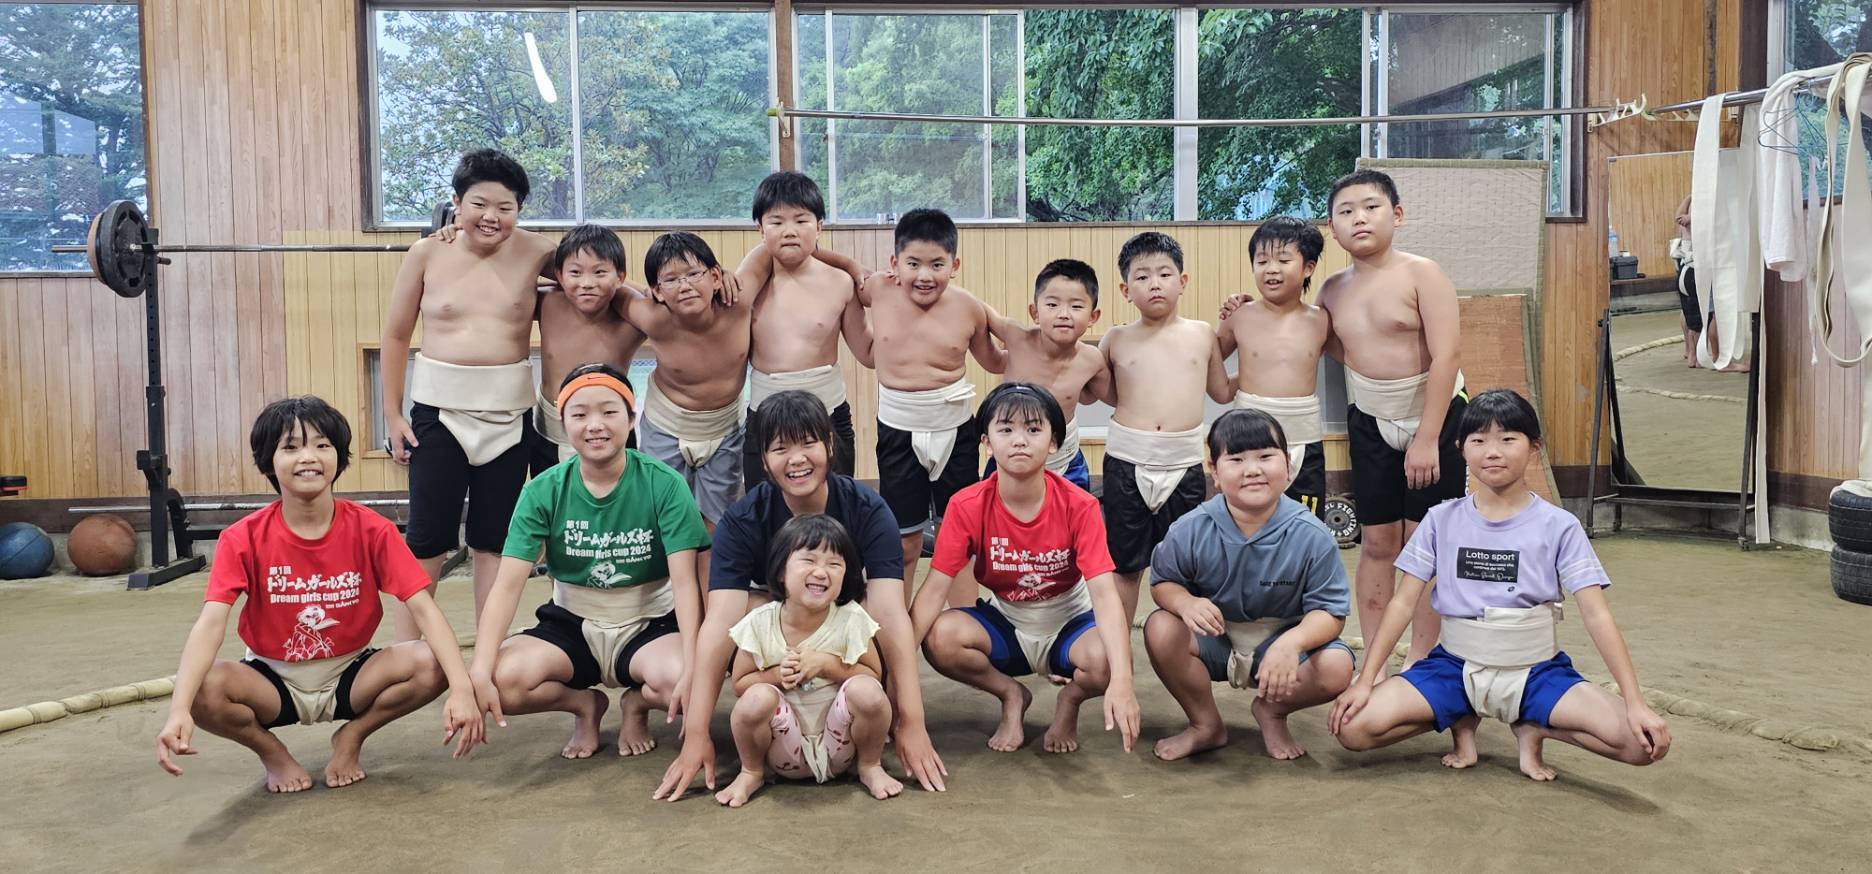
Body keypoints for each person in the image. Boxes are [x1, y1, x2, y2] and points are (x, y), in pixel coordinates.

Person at [1330, 389, 1672, 780]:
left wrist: (1635, 702)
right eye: (1478, 441)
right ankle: (1459, 716)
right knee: (1352, 728)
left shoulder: (1560, 526)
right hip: (1452, 668)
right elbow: (1402, 604)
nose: (1492, 452)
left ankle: (1534, 726)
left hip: (1536, 672)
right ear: (1461, 449)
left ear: (1534, 447)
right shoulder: (1440, 520)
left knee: (1641, 744)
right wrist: (1366, 680)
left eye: (1508, 439)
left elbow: (1597, 616)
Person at [155, 397, 482, 792]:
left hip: (351, 672)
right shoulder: (242, 537)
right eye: (291, 447)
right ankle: (272, 753)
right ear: (268, 461)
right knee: (199, 687)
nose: (308, 457)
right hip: (271, 677)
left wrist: (462, 689)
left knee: (433, 662)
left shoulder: (372, 530)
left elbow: (423, 609)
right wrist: (179, 710)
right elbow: (211, 623)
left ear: (338, 457)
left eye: (322, 445)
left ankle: (352, 736)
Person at [656, 390, 948, 800]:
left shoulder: (867, 508)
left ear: (830, 445)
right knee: (748, 611)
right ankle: (772, 731)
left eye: (809, 443)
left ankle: (865, 729)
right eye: (780, 449)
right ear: (763, 460)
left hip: (843, 624)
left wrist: (913, 720)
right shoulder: (742, 520)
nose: (796, 459)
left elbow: (889, 613)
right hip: (780, 629)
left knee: (872, 612)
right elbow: (720, 621)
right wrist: (697, 733)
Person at [468, 364, 709, 759]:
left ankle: (637, 703)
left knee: (694, 681)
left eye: (609, 412)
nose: (595, 425)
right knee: (501, 680)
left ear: (631, 418)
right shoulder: (543, 490)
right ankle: (584, 705)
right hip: (571, 622)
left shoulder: (665, 483)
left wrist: (696, 662)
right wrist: (479, 667)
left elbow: (685, 584)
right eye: (579, 414)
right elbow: (507, 587)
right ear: (563, 424)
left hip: (649, 622)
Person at [380, 149, 556, 641]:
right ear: (457, 203)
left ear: (519, 209)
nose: (491, 217)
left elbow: (595, 276)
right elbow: (396, 334)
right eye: (479, 204)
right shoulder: (427, 253)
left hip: (509, 416)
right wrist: (393, 413)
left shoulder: (539, 252)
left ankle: (488, 650)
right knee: (426, 539)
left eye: (505, 207)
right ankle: (408, 653)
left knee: (495, 540)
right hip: (439, 413)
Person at [912, 383, 1141, 755]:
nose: (1019, 440)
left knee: (1110, 660)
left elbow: (1104, 594)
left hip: (1069, 621)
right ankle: (1011, 694)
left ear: (1053, 443)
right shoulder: (966, 505)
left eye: (1034, 429)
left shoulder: (1079, 505)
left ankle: (1069, 702)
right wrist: (897, 678)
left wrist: (1123, 682)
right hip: (1007, 620)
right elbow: (934, 589)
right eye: (1006, 429)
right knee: (940, 637)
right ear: (987, 442)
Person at [1143, 409, 1354, 761]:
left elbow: (1331, 613)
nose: (1252, 469)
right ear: (1214, 470)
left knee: (1336, 666)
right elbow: (1163, 584)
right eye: (1236, 459)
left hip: (1283, 640)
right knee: (1160, 628)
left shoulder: (1313, 535)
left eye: (1265, 457)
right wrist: (1185, 603)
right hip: (1215, 638)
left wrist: (1292, 643)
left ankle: (1272, 711)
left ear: (1288, 465)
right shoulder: (1190, 528)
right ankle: (1205, 724)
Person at [1315, 169, 1464, 667]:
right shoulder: (1331, 291)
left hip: (1435, 415)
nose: (1359, 218)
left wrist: (1428, 437)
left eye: (1371, 207)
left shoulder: (1423, 273)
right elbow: (1322, 342)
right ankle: (1377, 660)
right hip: (1371, 417)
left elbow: (1447, 355)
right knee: (1377, 542)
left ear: (1396, 215)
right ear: (1332, 228)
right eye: (1346, 211)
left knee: (1425, 541)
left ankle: (1421, 658)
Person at [1093, 232, 1235, 621]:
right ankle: (1117, 647)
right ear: (1125, 290)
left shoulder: (1202, 334)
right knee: (1124, 565)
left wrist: (1264, 363)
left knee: (1184, 564)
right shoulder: (1115, 338)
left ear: (1182, 281)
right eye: (1142, 276)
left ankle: (1180, 643)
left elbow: (1222, 392)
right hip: (1127, 460)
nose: (1154, 283)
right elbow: (1100, 392)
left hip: (1183, 462)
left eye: (1164, 274)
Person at [714, 514, 902, 807]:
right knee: (755, 699)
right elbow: (740, 683)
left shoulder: (851, 618)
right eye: (809, 560)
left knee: (867, 692)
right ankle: (751, 771)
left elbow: (873, 675)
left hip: (839, 744)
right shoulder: (760, 623)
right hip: (783, 748)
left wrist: (827, 665)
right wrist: (776, 675)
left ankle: (870, 765)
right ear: (780, 570)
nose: (821, 572)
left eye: (834, 564)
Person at [859, 208, 1006, 579]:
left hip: (955, 429)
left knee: (958, 537)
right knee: (903, 541)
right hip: (897, 430)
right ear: (894, 264)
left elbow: (994, 361)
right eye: (913, 264)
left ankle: (960, 614)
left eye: (937, 265)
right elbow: (847, 276)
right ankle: (898, 615)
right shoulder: (879, 289)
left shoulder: (969, 307)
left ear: (954, 265)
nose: (925, 276)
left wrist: (1044, 349)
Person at [733, 171, 873, 487]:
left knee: (833, 504)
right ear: (760, 229)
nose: (789, 231)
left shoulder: (841, 283)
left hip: (828, 412)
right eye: (776, 222)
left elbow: (867, 352)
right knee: (766, 507)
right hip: (765, 416)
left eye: (801, 220)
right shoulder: (750, 284)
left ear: (819, 226)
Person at [620, 232, 754, 532]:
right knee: (663, 513)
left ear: (716, 276)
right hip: (665, 425)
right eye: (671, 280)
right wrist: (645, 291)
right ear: (656, 291)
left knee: (719, 519)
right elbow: (613, 290)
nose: (685, 286)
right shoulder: (652, 317)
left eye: (694, 274)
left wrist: (851, 268)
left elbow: (766, 252)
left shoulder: (739, 303)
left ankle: (710, 568)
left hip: (725, 428)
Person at [1216, 217, 1332, 518]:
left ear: (1308, 267)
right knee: (1246, 518)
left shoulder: (1322, 320)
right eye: (1262, 261)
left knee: (1305, 523)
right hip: (1247, 434)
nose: (1271, 269)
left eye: (1283, 260)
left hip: (1303, 437)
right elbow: (1210, 364)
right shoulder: (1239, 316)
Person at [983, 258, 1110, 493]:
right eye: (1052, 304)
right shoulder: (1016, 337)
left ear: (1093, 316)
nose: (1064, 314)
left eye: (1076, 306)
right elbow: (978, 310)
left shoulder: (1092, 360)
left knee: (1072, 513)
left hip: (1065, 461)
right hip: (1011, 454)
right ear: (1035, 312)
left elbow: (1108, 398)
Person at [529, 225, 647, 470]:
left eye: (599, 272)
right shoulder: (548, 301)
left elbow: (668, 302)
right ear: (559, 275)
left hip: (611, 430)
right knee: (551, 493)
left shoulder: (632, 317)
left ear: (620, 277)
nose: (587, 283)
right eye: (575, 272)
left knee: (618, 494)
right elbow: (508, 287)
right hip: (550, 430)